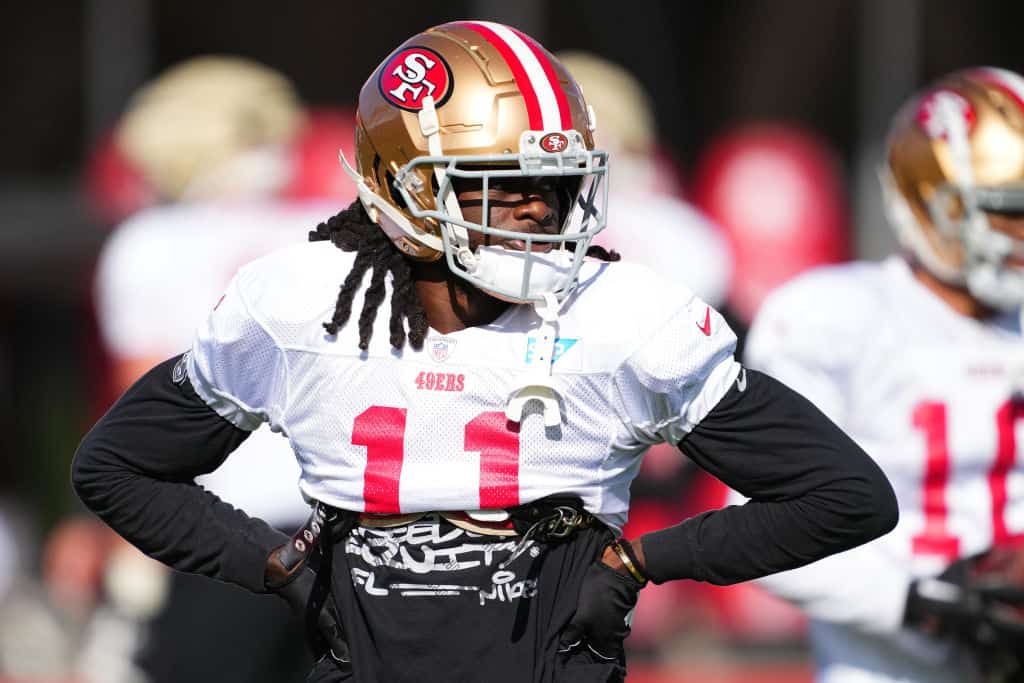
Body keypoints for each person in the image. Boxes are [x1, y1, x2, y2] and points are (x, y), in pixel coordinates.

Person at [72, 21, 897, 683]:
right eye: (499, 182)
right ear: (406, 186)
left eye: (557, 183)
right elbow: (116, 466)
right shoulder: (297, 304)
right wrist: (273, 562)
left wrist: (649, 557)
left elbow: (844, 493)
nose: (538, 210)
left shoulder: (621, 313)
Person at [730, 67, 1024, 683]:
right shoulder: (835, 319)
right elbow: (761, 524)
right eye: (1008, 213)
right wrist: (923, 601)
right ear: (934, 206)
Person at [93, 55, 351, 683]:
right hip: (352, 523)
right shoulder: (335, 236)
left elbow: (145, 429)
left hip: (231, 529)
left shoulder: (150, 243)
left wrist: (135, 549)